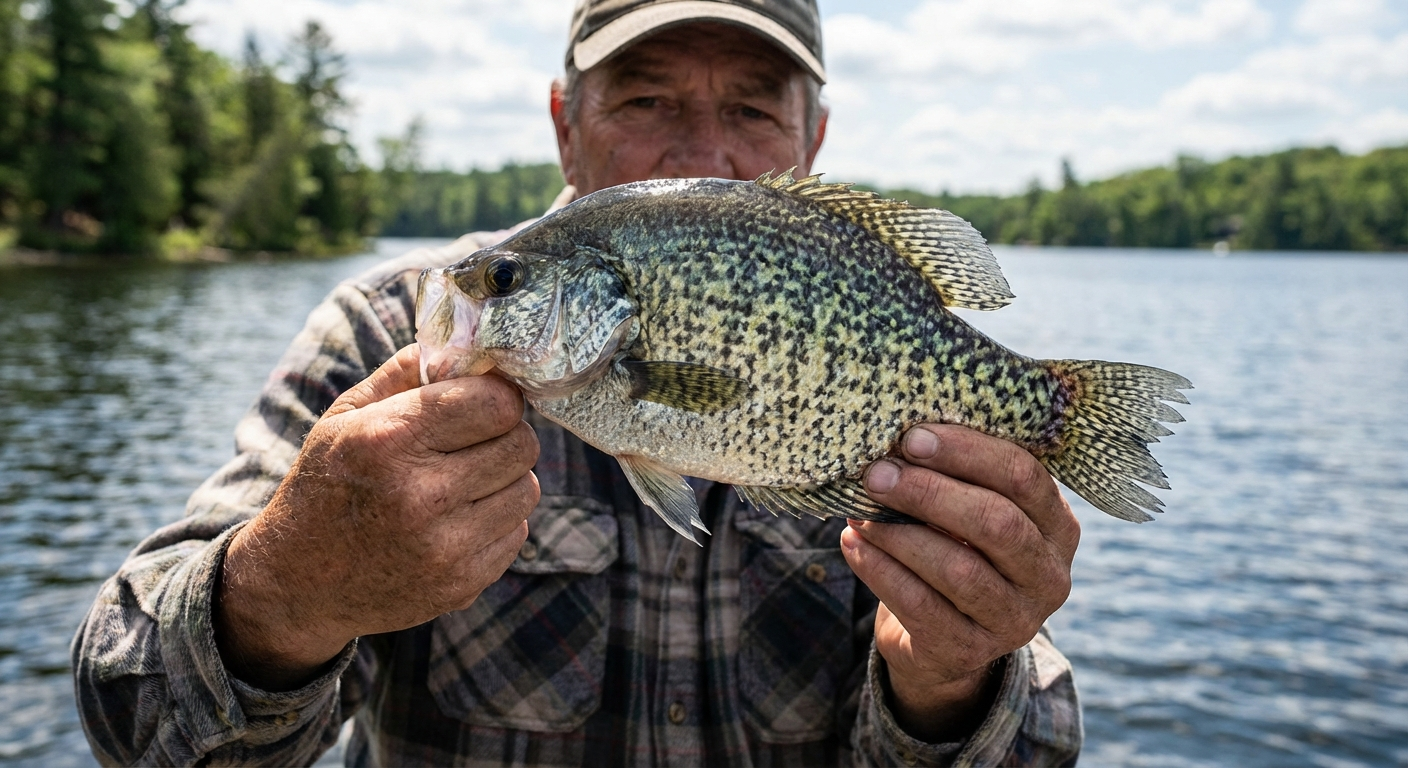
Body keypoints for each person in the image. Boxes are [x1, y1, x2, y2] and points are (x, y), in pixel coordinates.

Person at [72, 0, 1084, 764]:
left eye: (751, 107)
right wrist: (286, 592)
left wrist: (951, 682)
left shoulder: (909, 386)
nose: (701, 150)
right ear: (566, 121)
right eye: (647, 99)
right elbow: (130, 713)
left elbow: (1041, 738)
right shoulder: (392, 334)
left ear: (811, 138)